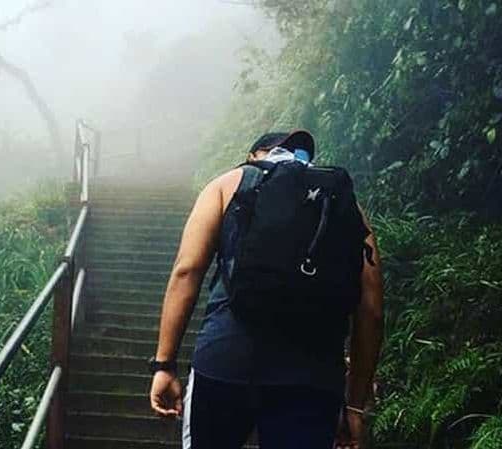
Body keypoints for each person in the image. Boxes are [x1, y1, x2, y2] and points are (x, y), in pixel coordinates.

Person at [148, 131, 384, 449]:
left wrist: (164, 365)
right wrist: (354, 403)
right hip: (312, 379)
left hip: (225, 362)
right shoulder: (344, 203)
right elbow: (371, 310)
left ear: (254, 155)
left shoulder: (229, 184)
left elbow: (187, 272)